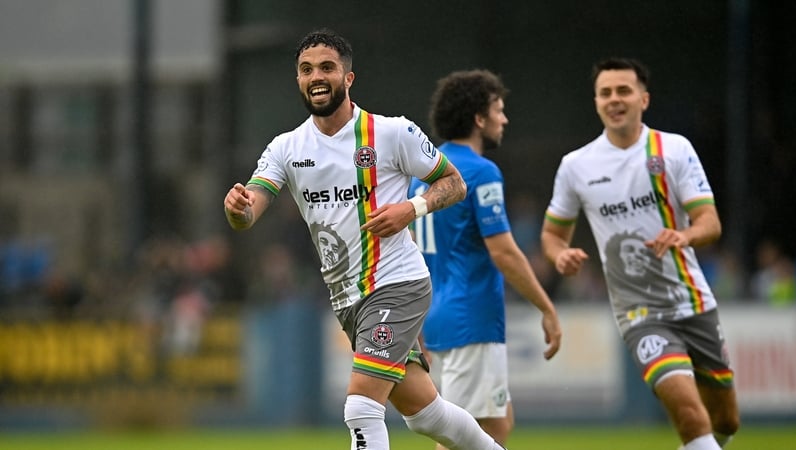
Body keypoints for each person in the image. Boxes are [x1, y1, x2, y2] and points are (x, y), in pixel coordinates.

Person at [224, 29, 507, 450]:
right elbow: (250, 211)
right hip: (348, 301)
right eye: (306, 70)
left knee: (360, 407)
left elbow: (455, 184)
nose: (316, 76)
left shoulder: (391, 133)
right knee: (427, 415)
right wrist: (239, 209)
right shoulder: (286, 148)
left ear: (348, 78)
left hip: (398, 284)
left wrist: (411, 209)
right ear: (298, 80)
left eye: (326, 67)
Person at [540, 58, 740, 450]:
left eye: (623, 91)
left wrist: (685, 235)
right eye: (605, 92)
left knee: (725, 420)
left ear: (643, 99)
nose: (614, 99)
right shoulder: (576, 166)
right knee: (688, 414)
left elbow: (710, 222)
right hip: (639, 313)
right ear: (596, 102)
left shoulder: (674, 149)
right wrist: (559, 255)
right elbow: (551, 235)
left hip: (693, 301)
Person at [408, 69, 562, 448]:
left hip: (438, 315)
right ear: (479, 118)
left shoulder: (424, 173)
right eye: (499, 109)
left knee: (497, 421)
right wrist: (546, 307)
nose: (504, 119)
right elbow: (504, 252)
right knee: (465, 436)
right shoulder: (480, 171)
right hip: (472, 318)